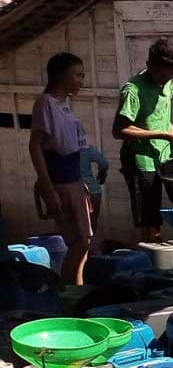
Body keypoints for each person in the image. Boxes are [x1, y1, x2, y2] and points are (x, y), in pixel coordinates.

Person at [29, 52, 94, 284]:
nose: (81, 81)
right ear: (59, 75)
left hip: (74, 179)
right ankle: (66, 289)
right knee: (78, 241)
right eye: (76, 75)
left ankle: (77, 288)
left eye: (82, 76)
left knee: (85, 242)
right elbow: (35, 147)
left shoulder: (63, 105)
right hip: (60, 181)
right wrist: (48, 188)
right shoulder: (45, 103)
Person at [113, 38, 173, 242]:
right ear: (149, 65)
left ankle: (157, 254)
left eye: (171, 74)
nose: (166, 78)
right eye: (162, 73)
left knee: (157, 212)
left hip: (161, 157)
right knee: (148, 217)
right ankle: (151, 260)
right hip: (140, 161)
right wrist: (163, 135)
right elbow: (119, 130)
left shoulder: (168, 84)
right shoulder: (133, 90)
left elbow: (162, 120)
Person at [80, 141, 109, 238]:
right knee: (92, 224)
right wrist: (102, 177)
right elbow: (104, 163)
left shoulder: (63, 150)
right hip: (93, 190)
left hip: (76, 191)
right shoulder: (87, 148)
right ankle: (90, 248)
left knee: (77, 226)